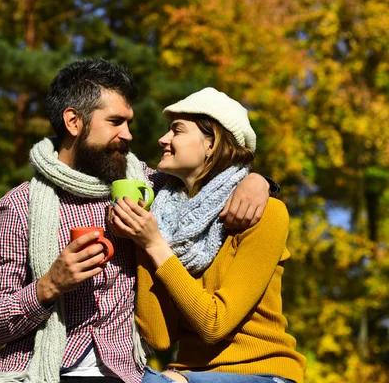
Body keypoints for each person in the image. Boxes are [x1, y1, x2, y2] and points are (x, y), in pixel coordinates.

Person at [0, 60, 274, 383]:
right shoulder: (20, 207)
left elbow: (212, 179)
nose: (128, 134)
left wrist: (259, 181)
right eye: (115, 122)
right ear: (74, 122)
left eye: (129, 122)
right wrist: (50, 285)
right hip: (45, 371)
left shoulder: (151, 189)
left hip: (125, 373)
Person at [108, 87, 307, 383]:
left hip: (263, 373)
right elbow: (159, 337)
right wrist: (142, 242)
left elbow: (215, 324)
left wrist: (154, 243)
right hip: (190, 373)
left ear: (211, 143)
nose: (163, 139)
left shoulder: (265, 214)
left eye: (177, 130)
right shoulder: (163, 215)